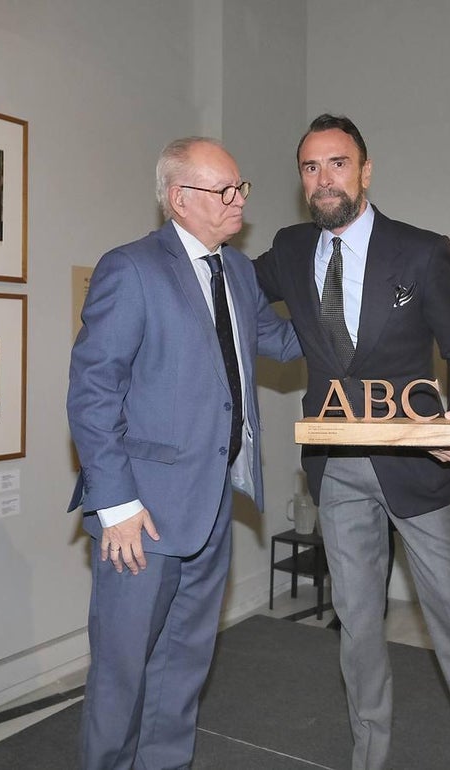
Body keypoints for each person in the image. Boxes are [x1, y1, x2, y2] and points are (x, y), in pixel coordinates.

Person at [254, 114, 450, 770]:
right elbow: (237, 287)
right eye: (311, 167)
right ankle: (367, 756)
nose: (324, 179)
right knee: (357, 624)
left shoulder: (421, 251)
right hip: (334, 467)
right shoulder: (289, 250)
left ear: (365, 171)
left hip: (415, 465)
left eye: (338, 163)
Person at [67, 136, 300, 770]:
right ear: (180, 198)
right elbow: (93, 392)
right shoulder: (132, 268)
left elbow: (275, 340)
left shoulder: (241, 270)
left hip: (213, 502)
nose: (239, 204)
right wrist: (114, 504)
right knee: (123, 677)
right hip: (140, 517)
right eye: (225, 192)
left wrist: (345, 308)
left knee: (182, 671)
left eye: (241, 188)